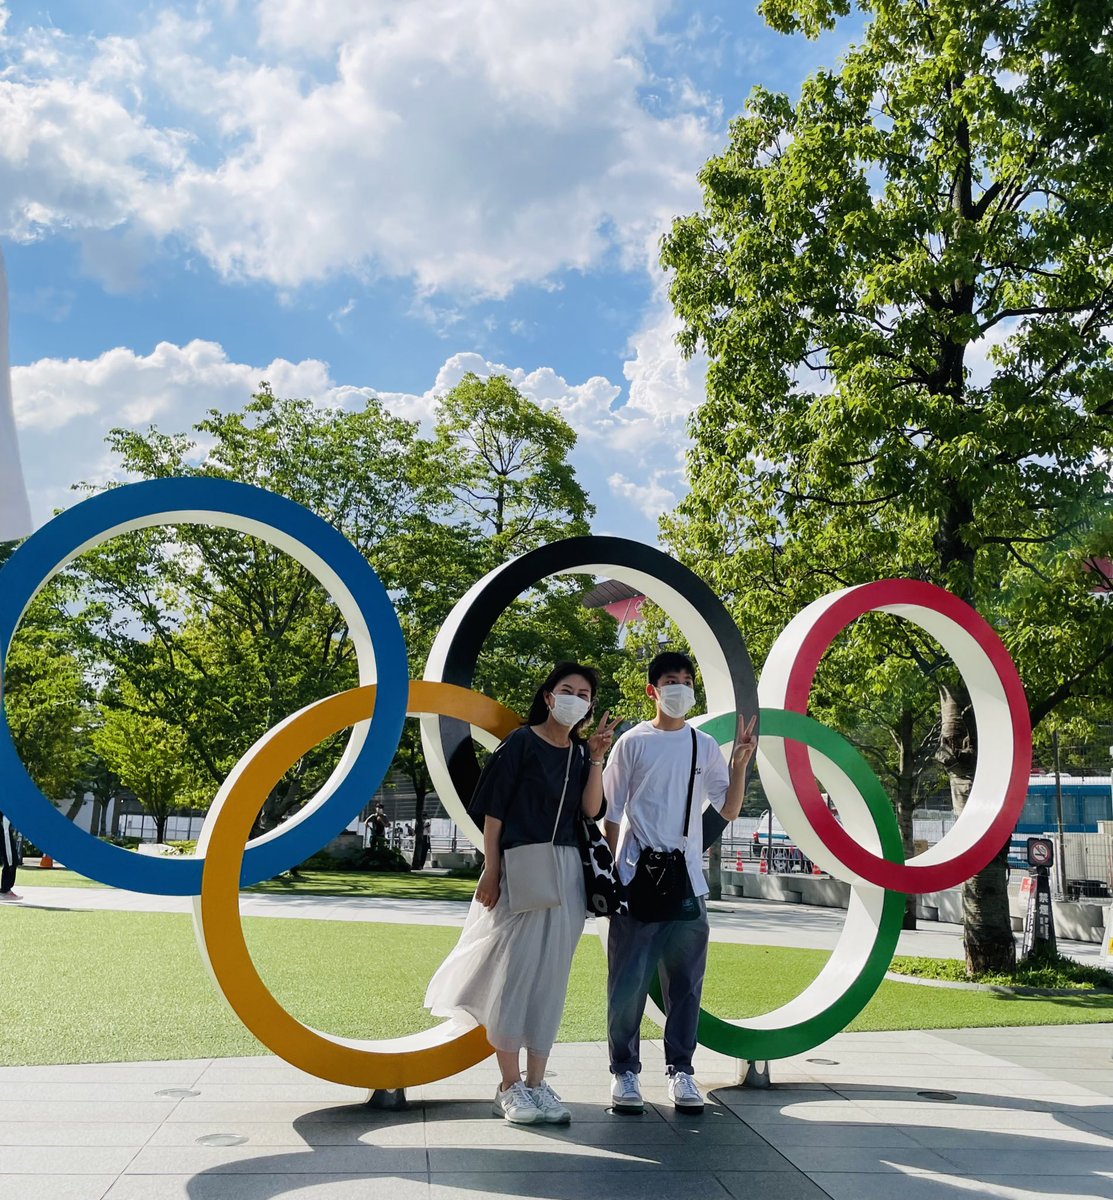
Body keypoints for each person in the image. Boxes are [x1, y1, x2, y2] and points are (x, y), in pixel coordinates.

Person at [425, 661, 620, 1126]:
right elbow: (494, 815)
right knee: (516, 973)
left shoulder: (579, 754)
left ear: (590, 707)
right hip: (521, 867)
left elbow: (592, 809)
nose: (575, 698)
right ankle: (509, 1086)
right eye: (566, 690)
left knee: (551, 978)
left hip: (568, 872)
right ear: (549, 696)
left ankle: (537, 1083)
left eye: (584, 694)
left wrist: (596, 757)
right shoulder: (520, 743)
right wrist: (492, 871)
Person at [603, 651, 757, 1113]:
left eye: (687, 681)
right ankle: (625, 1074)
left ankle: (682, 1073)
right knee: (627, 982)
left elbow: (727, 809)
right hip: (634, 878)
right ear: (652, 690)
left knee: (686, 984)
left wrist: (741, 763)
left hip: (688, 882)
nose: (681, 689)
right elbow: (611, 811)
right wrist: (613, 873)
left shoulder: (703, 744)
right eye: (672, 681)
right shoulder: (632, 743)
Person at [0, 809, 23, 901]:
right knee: (11, 862)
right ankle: (5, 891)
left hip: (5, 830)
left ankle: (6, 890)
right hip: (4, 830)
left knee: (11, 861)